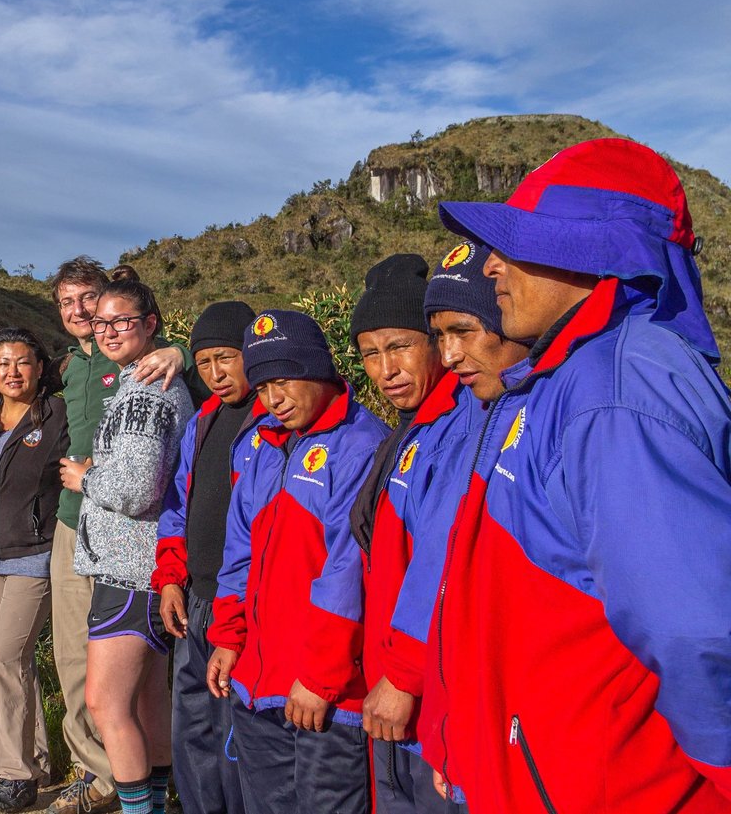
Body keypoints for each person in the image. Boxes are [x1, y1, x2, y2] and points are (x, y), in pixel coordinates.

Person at [428, 139, 731, 812]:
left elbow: (694, 631)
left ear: (604, 252)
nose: (494, 266)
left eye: (522, 243)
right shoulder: (551, 380)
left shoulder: (616, 389)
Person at [207, 309, 388, 814]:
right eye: (263, 387)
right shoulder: (261, 443)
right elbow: (237, 550)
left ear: (319, 371)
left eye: (284, 381)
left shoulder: (361, 446)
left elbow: (347, 571)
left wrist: (320, 677)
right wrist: (227, 637)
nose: (273, 400)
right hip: (257, 684)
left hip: (325, 697)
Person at [379, 240, 532, 814]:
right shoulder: (460, 415)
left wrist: (405, 675)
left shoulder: (527, 410)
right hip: (453, 707)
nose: (449, 355)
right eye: (440, 334)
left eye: (463, 331)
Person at [48, 255, 191, 813]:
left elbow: (134, 489)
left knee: (107, 705)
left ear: (150, 324)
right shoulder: (152, 381)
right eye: (101, 323)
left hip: (128, 566)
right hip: (148, 565)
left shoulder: (144, 393)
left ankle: (137, 807)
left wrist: (86, 478)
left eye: (121, 321)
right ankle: (156, 803)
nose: (107, 331)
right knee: (150, 701)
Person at [343, 256, 448, 813]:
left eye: (401, 345)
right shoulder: (402, 434)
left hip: (430, 693)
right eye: (370, 353)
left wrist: (405, 677)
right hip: (390, 681)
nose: (386, 369)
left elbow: (442, 563)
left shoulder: (457, 427)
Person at [152, 301, 260, 814]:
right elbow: (177, 504)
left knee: (236, 733)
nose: (216, 374)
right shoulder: (203, 420)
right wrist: (171, 577)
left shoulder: (275, 420)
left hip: (242, 603)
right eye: (205, 363)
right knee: (191, 726)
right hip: (196, 598)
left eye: (226, 358)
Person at [0, 328, 69, 811]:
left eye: (23, 362)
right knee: (6, 660)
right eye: (3, 363)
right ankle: (35, 759)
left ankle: (14, 773)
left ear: (39, 366)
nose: (13, 372)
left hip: (33, 553)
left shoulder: (56, 414)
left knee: (8, 657)